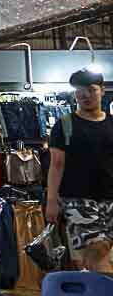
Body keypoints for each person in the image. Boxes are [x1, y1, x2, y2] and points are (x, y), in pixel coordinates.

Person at [46, 68, 113, 273]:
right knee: (95, 251)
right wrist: (51, 200)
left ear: (102, 91)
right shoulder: (65, 125)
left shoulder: (111, 123)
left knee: (100, 252)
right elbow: (56, 164)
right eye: (79, 91)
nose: (84, 95)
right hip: (77, 199)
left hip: (110, 197)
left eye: (91, 90)